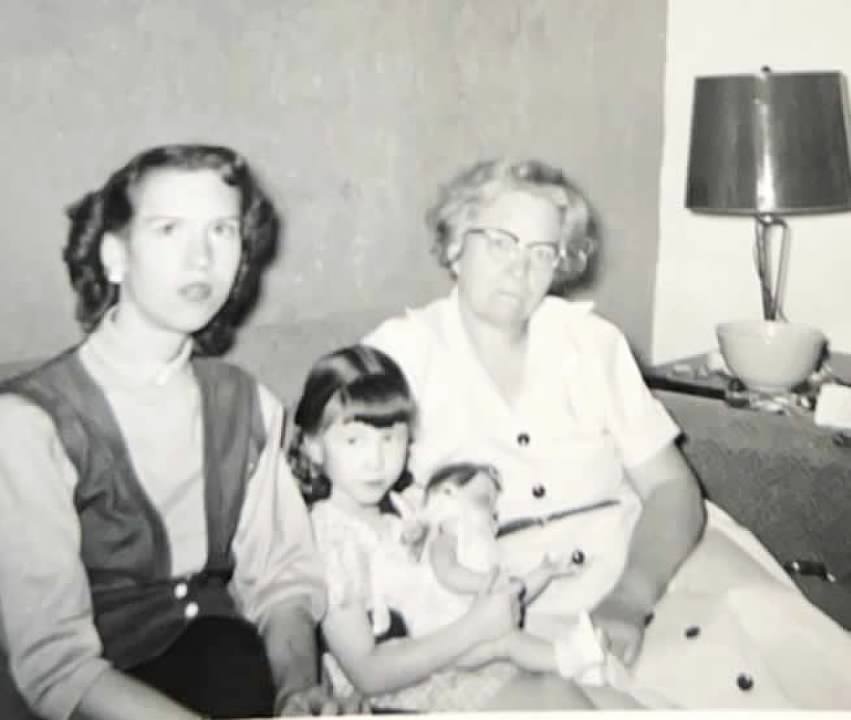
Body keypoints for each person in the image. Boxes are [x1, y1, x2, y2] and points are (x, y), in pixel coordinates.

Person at [365, 157, 851, 709]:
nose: (520, 269)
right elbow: (351, 509)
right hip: (520, 613)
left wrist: (631, 597)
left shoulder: (592, 343)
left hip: (655, 566)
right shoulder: (400, 355)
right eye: (501, 243)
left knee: (791, 671)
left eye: (542, 253)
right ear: (456, 244)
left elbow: (670, 489)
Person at [0, 144, 354, 720]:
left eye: (222, 230)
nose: (201, 258)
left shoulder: (248, 404)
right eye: (169, 229)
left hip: (225, 671)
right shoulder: (29, 424)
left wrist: (296, 690)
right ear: (114, 255)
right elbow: (57, 668)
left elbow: (283, 579)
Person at [287, 344, 594, 712]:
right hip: (397, 695)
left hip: (457, 657)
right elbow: (367, 674)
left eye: (390, 438)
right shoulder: (330, 536)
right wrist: (476, 627)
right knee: (559, 702)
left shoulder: (404, 506)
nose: (375, 460)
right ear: (314, 447)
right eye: (354, 441)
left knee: (586, 697)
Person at [409, 461, 611, 684]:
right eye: (484, 501)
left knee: (511, 642)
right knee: (509, 643)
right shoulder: (445, 537)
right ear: (447, 495)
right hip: (444, 639)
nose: (493, 516)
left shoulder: (485, 555)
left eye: (495, 513)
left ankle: (583, 669)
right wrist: (488, 583)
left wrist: (546, 572)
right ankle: (570, 658)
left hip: (475, 634)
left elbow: (515, 598)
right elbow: (447, 572)